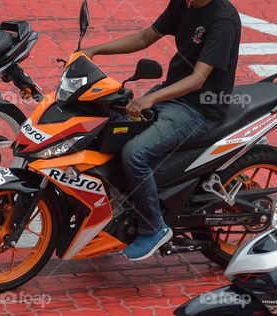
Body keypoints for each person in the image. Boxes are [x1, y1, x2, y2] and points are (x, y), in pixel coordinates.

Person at [83, 0, 241, 261]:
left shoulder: (223, 20)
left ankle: (154, 227)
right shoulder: (184, 3)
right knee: (110, 131)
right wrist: (94, 51)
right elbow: (146, 37)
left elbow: (198, 79)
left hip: (200, 107)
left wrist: (152, 99)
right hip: (173, 94)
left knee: (135, 153)